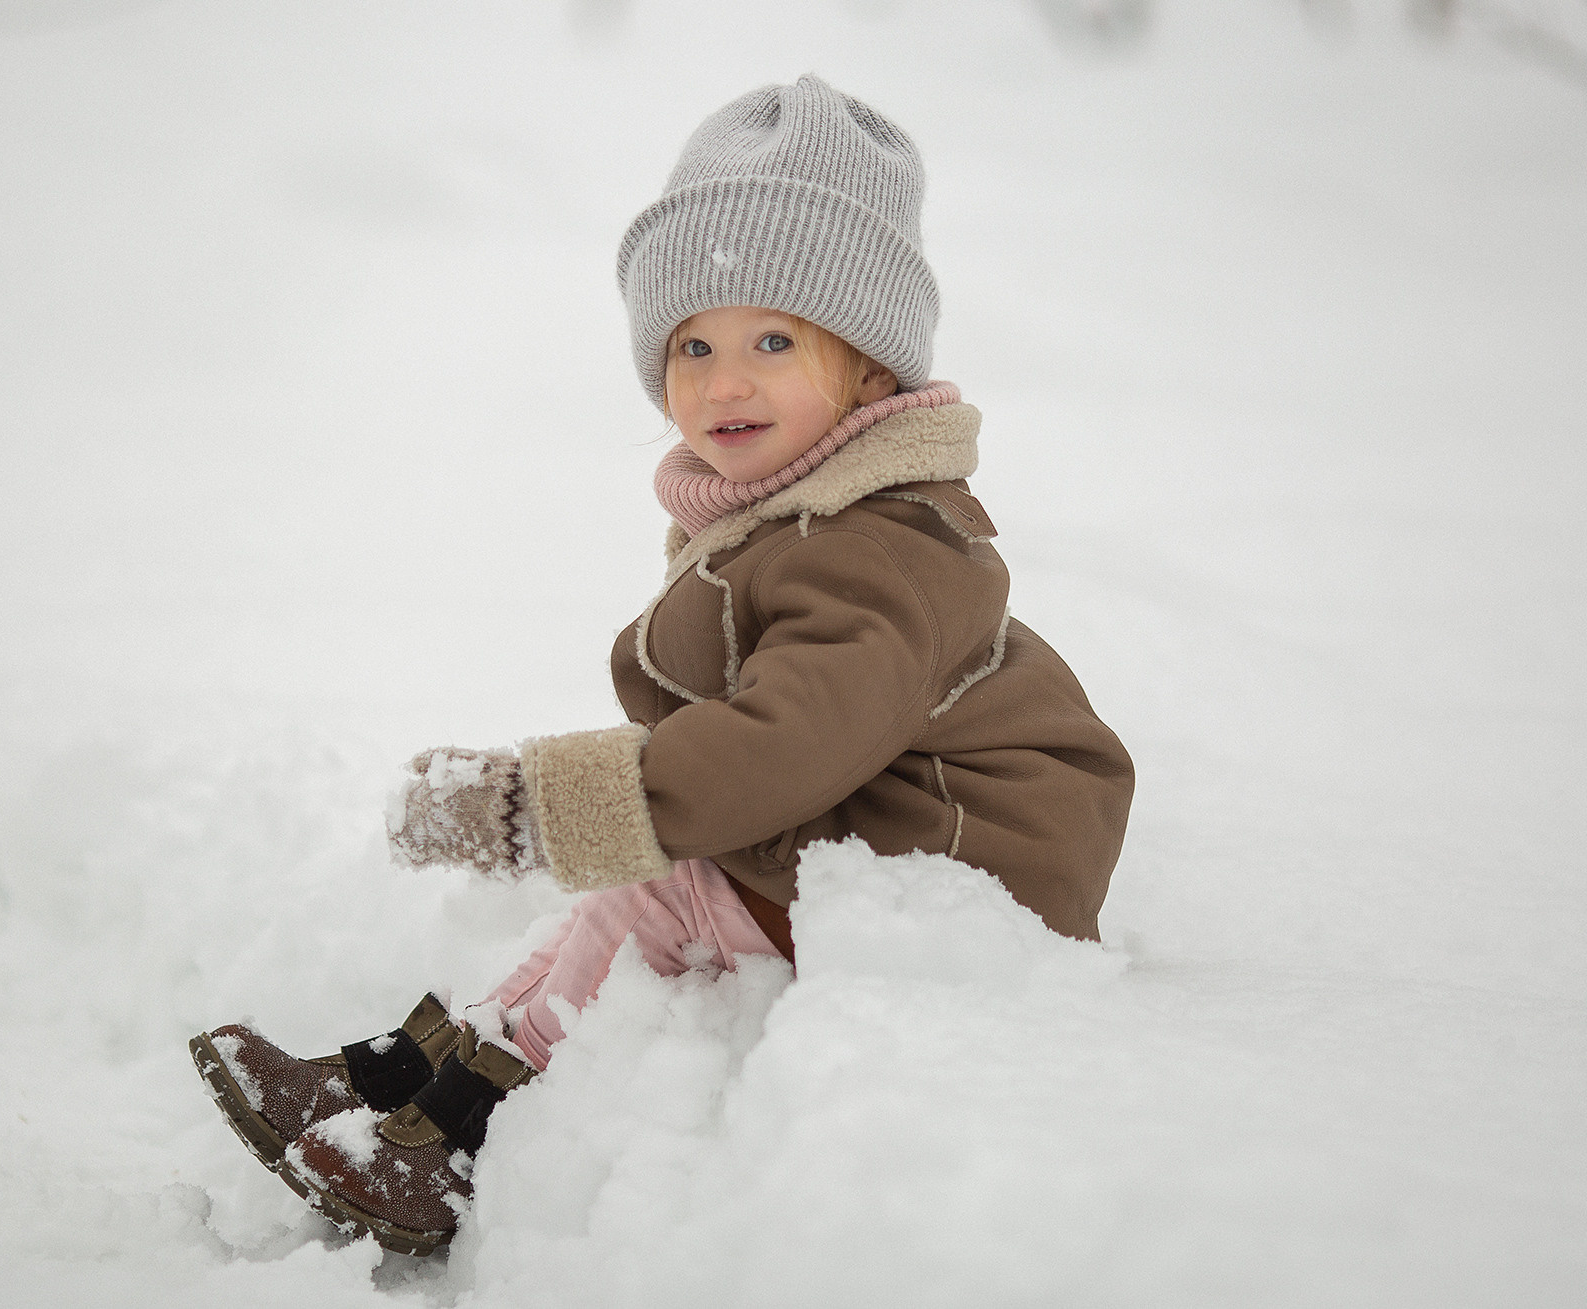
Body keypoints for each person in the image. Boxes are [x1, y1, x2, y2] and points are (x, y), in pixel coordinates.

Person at [189, 74, 1134, 1257]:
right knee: (633, 885)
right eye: (691, 344)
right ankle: (397, 1081)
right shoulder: (800, 516)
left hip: (956, 860)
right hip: (877, 817)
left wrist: (539, 804)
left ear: (873, 375)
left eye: (772, 340)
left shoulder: (872, 545)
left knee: (656, 887)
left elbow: (786, 745)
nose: (721, 381)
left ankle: (461, 1138)